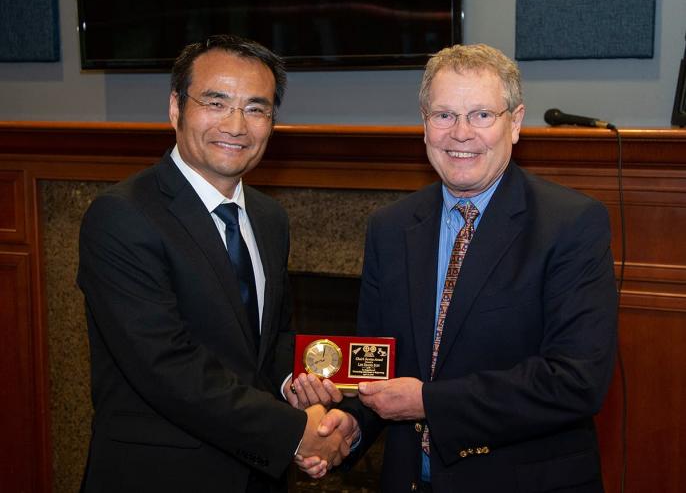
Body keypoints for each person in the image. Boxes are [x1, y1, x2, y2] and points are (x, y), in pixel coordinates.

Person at [304, 43, 618, 492]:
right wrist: (352, 426)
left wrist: (428, 403)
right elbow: (376, 367)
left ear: (516, 123)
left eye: (482, 115)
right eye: (444, 115)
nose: (461, 133)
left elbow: (576, 381)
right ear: (425, 126)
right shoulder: (390, 228)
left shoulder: (571, 224)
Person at [77, 34, 354, 493]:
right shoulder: (122, 216)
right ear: (175, 108)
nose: (236, 125)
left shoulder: (269, 218)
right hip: (159, 477)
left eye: (256, 108)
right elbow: (166, 367)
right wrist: (295, 434)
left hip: (254, 476)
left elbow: (271, 339)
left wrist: (297, 385)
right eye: (216, 102)